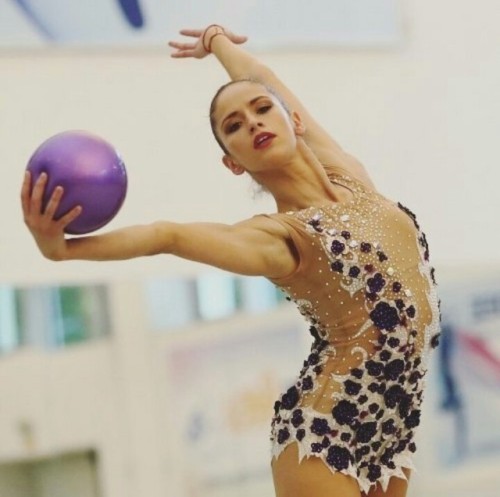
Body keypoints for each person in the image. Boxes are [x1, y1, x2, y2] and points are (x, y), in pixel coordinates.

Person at [21, 24, 441, 497]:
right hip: (325, 435)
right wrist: (63, 250)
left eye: (262, 110)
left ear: (294, 119)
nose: (254, 123)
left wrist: (216, 41)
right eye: (234, 126)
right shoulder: (281, 237)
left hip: (394, 430)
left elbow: (260, 75)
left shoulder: (349, 177)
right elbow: (169, 236)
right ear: (233, 162)